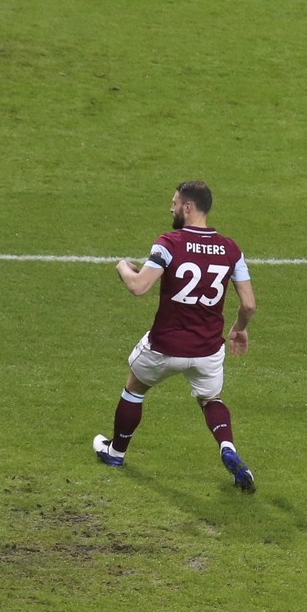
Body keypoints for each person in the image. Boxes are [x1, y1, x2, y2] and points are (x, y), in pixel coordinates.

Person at [92, 181, 259, 491]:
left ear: (187, 207)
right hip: (208, 350)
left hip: (165, 347)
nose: (170, 208)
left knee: (135, 386)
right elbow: (249, 304)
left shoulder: (168, 243)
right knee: (210, 398)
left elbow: (138, 286)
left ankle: (115, 452)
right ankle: (228, 448)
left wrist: (123, 267)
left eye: (174, 202)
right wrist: (239, 329)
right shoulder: (231, 249)